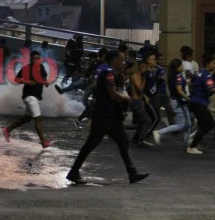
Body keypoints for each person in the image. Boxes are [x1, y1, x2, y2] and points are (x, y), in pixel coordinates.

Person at [66, 50, 149, 184]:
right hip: (105, 114)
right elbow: (113, 95)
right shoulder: (108, 72)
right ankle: (74, 171)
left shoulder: (102, 69)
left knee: (122, 141)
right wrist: (127, 98)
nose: (122, 63)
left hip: (109, 114)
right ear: (114, 60)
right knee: (92, 143)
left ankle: (132, 172)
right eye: (121, 60)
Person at [2, 51, 51, 148]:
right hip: (29, 96)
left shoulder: (41, 67)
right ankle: (43, 142)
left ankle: (7, 130)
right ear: (31, 59)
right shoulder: (27, 68)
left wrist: (46, 82)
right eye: (34, 58)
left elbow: (45, 78)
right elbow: (16, 79)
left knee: (27, 118)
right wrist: (27, 81)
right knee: (38, 118)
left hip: (36, 96)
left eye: (38, 58)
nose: (36, 60)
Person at [153, 59, 192, 146]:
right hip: (178, 102)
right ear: (177, 67)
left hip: (177, 101)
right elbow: (179, 90)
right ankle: (159, 132)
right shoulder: (178, 76)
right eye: (181, 65)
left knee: (188, 122)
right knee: (181, 125)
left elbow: (184, 83)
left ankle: (188, 141)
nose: (182, 67)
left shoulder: (174, 75)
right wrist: (188, 98)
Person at [185, 55, 215, 154]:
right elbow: (211, 89)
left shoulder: (199, 73)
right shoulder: (207, 75)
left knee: (204, 124)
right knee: (208, 124)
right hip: (200, 103)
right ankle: (192, 145)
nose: (214, 66)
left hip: (195, 101)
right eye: (213, 64)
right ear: (208, 64)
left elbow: (190, 83)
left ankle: (193, 142)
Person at [129, 60, 153, 147]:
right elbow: (140, 88)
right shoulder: (135, 76)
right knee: (147, 121)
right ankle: (140, 140)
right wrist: (145, 79)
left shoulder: (140, 76)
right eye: (146, 68)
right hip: (136, 102)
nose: (147, 70)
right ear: (142, 67)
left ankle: (136, 139)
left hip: (138, 101)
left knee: (141, 122)